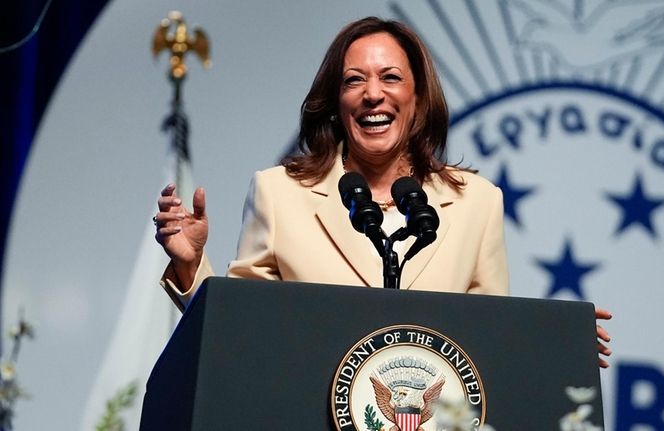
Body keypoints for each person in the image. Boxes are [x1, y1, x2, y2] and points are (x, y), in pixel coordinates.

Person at [153, 17, 612, 367]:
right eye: (354, 80)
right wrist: (190, 267)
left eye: (390, 78)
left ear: (419, 100)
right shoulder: (280, 194)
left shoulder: (477, 202)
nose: (373, 94)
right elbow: (241, 334)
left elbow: (484, 340)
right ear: (336, 102)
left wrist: (553, 341)